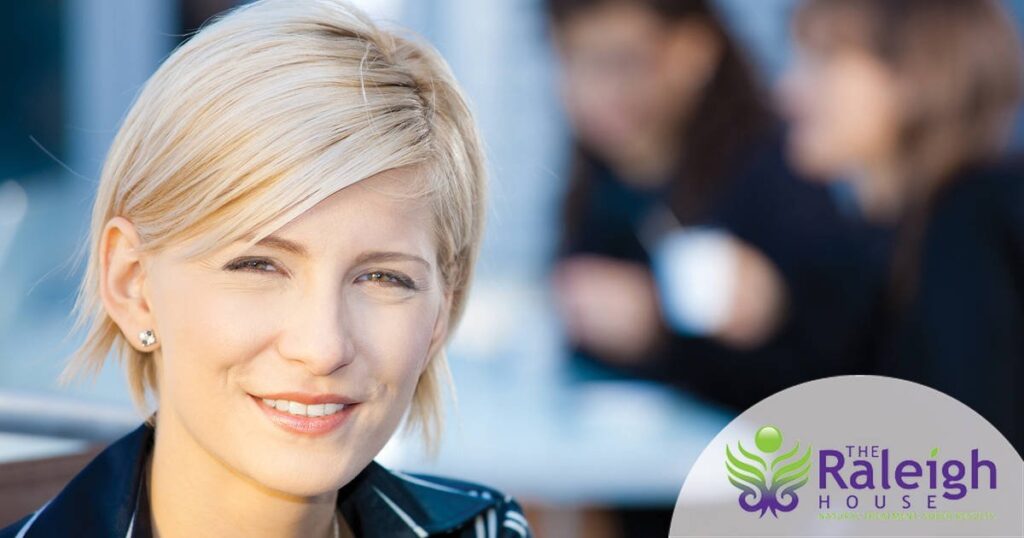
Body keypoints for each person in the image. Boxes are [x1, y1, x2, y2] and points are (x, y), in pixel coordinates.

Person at [0, 1, 533, 536]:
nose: (323, 348)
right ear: (133, 285)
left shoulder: (486, 528)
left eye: (383, 278)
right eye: (257, 265)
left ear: (442, 309)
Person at [547, 0, 883, 413]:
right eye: (569, 58)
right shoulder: (600, 175)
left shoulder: (785, 172)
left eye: (619, 62)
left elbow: (834, 369)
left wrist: (668, 330)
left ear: (693, 52)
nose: (589, 91)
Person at [781, 0, 1024, 453]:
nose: (786, 89)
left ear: (915, 78)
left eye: (821, 63)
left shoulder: (970, 228)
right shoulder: (891, 239)